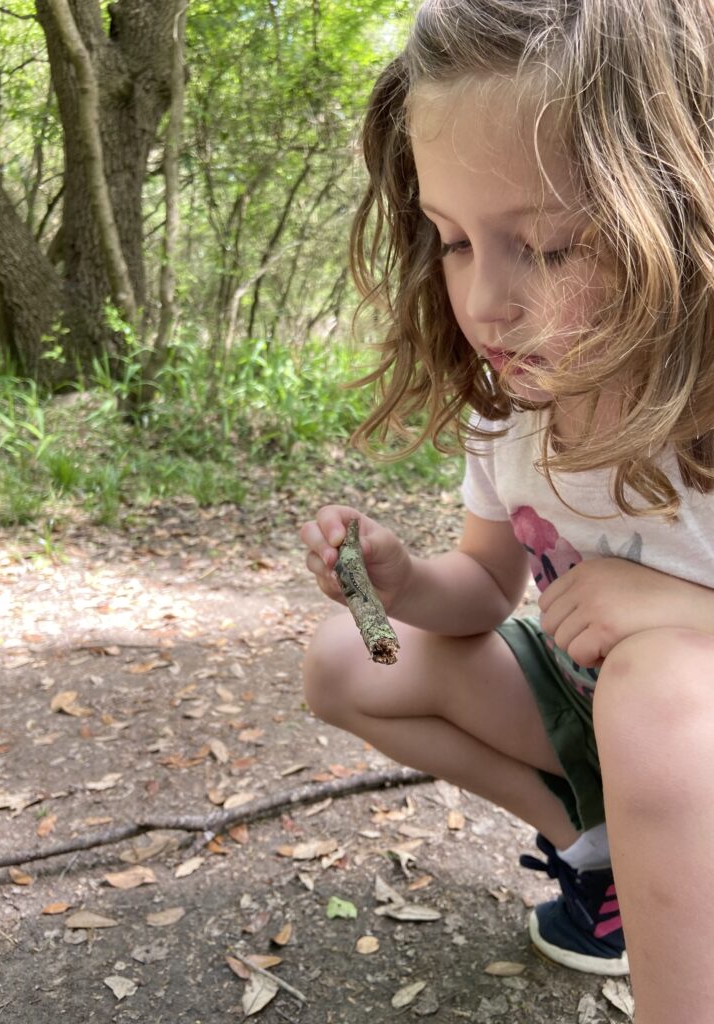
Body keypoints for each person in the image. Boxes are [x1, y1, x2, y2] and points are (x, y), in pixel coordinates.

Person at [298, 2, 714, 1022]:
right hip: (587, 708)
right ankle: (596, 846)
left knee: (658, 692)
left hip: (683, 726)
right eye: (451, 240)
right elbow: (487, 587)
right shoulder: (514, 415)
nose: (484, 301)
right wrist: (398, 583)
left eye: (550, 246)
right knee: (346, 656)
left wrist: (685, 612)